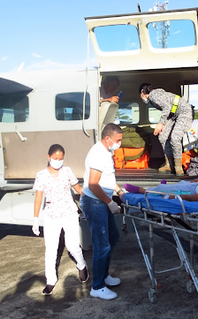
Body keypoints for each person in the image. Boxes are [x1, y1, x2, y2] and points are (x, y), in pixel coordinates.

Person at [32, 144, 88, 296]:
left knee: (73, 246)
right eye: (55, 158)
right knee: (50, 250)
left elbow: (78, 188)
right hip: (51, 215)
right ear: (48, 157)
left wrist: (91, 198)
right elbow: (38, 198)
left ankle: (82, 265)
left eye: (61, 158)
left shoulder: (67, 171)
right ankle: (50, 280)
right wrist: (36, 218)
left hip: (69, 213)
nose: (58, 161)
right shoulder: (41, 175)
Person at [80, 123, 125, 300]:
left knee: (113, 237)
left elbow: (108, 178)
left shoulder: (107, 151)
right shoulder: (99, 154)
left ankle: (104, 275)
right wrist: (109, 202)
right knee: (102, 245)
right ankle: (97, 287)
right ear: (108, 139)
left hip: (101, 201)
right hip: (95, 202)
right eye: (118, 140)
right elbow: (93, 184)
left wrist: (119, 192)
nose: (119, 144)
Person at [139, 83, 193, 176]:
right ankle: (169, 164)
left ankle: (178, 167)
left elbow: (166, 107)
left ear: (142, 93)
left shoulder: (153, 95)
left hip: (184, 113)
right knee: (163, 137)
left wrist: (161, 123)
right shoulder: (155, 95)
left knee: (175, 138)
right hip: (174, 115)